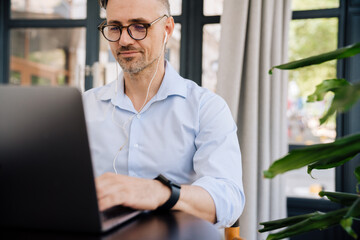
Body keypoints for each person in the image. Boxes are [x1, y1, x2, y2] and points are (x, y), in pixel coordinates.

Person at [83, 0, 245, 228]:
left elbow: (228, 200)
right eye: (115, 27)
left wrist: (161, 192)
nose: (125, 40)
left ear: (167, 29)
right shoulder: (84, 107)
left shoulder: (206, 107)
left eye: (139, 26)